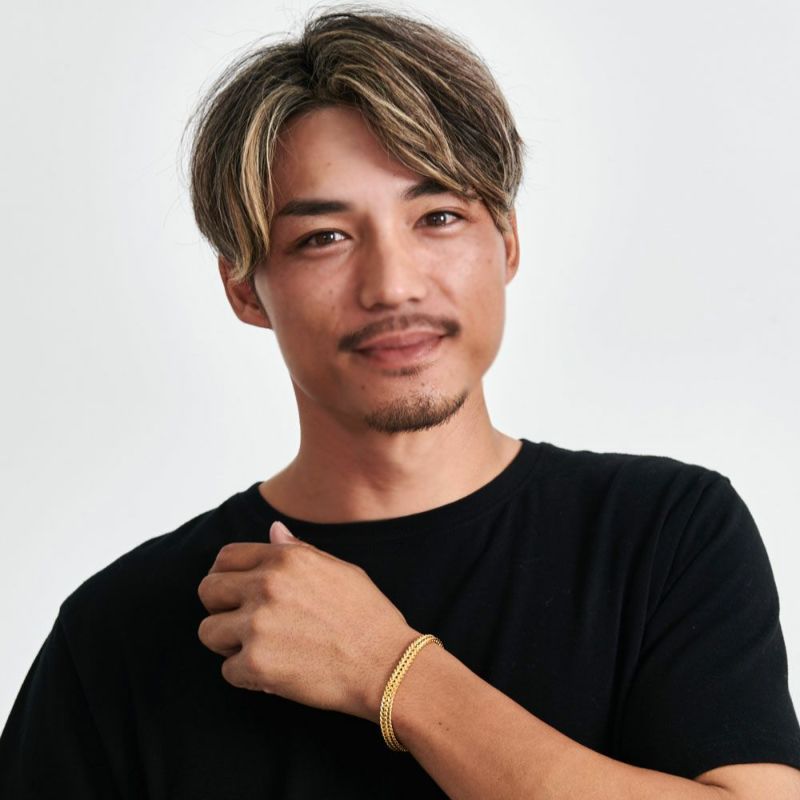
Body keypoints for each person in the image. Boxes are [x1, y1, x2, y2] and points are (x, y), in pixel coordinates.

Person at [2, 6, 799, 799]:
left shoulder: (664, 534)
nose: (392, 285)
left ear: (507, 242)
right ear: (244, 288)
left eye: (439, 217)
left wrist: (394, 673)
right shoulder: (123, 630)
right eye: (324, 237)